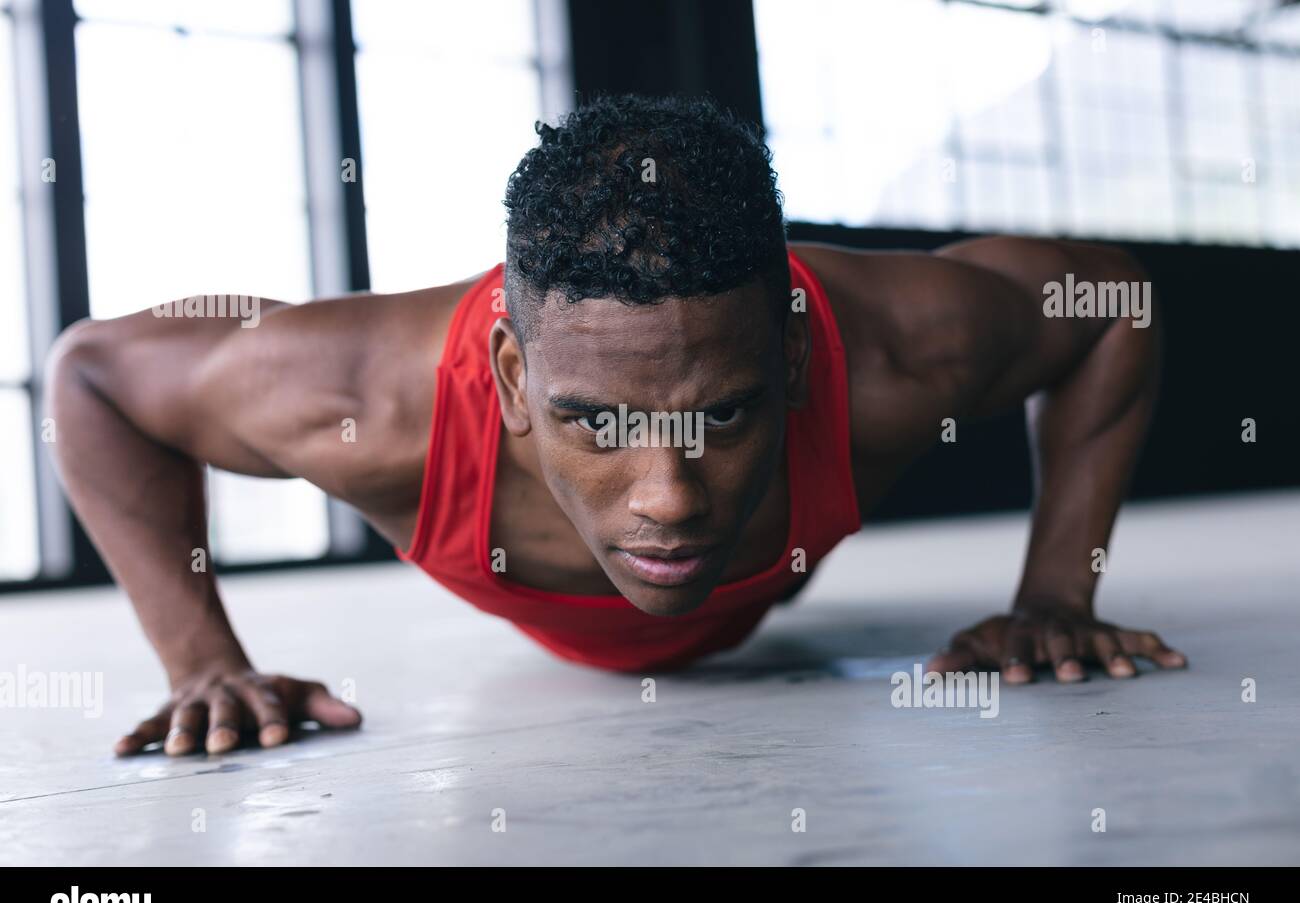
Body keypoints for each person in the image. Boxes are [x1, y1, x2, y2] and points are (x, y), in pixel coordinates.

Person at [45, 94, 1187, 758]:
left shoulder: (898, 347)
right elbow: (91, 376)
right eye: (595, 421)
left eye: (724, 413)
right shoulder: (355, 398)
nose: (671, 499)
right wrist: (202, 663)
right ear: (507, 374)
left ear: (790, 355)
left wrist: (1053, 598)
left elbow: (1112, 309)